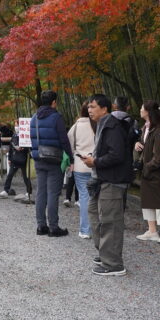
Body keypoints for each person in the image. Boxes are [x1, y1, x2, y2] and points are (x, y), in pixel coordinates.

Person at [83, 94, 132, 276]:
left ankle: (114, 265)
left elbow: (117, 155)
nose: (89, 110)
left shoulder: (112, 126)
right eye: (89, 107)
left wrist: (95, 162)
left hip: (113, 179)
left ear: (104, 109)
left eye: (93, 106)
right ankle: (105, 253)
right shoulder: (102, 125)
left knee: (110, 221)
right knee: (94, 214)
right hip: (101, 179)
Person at [30, 90, 73, 237]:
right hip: (54, 160)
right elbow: (64, 140)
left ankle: (41, 226)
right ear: (53, 102)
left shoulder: (34, 118)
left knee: (41, 193)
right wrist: (71, 158)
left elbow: (32, 139)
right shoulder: (56, 117)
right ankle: (54, 227)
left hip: (38, 159)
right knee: (53, 193)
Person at [135, 101, 160, 244]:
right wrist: (137, 144)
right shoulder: (145, 128)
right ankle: (152, 231)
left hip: (158, 172)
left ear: (148, 111)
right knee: (148, 202)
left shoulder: (159, 130)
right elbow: (143, 145)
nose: (140, 110)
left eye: (142, 108)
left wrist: (148, 166)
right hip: (148, 172)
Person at [67, 101, 96, 239]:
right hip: (96, 164)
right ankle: (97, 229)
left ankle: (85, 230)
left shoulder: (76, 127)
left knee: (84, 197)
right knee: (97, 198)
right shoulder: (97, 125)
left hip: (80, 165)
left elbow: (69, 146)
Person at [4, 131, 32, 201]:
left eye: (17, 125)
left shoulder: (26, 134)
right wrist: (10, 158)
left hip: (24, 158)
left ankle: (29, 192)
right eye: (16, 125)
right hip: (15, 158)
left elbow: (30, 146)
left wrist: (23, 148)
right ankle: (6, 190)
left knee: (26, 177)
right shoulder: (14, 135)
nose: (16, 127)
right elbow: (10, 147)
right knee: (10, 175)